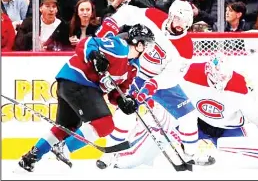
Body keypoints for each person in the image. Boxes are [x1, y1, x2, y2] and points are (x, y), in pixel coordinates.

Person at [50, 0, 213, 169]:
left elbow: (173, 74)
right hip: (137, 75)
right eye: (179, 20)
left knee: (188, 115)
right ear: (171, 15)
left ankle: (190, 154)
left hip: (160, 82)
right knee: (124, 116)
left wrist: (153, 85)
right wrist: (111, 25)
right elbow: (128, 11)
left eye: (186, 22)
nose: (181, 25)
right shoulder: (153, 16)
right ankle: (110, 154)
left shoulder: (186, 47)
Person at [97, 53, 258, 169]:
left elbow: (257, 115)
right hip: (198, 124)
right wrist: (147, 90)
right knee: (163, 131)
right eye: (216, 78)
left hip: (228, 128)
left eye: (223, 79)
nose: (219, 83)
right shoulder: (190, 72)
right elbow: (164, 79)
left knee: (235, 164)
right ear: (208, 70)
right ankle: (123, 157)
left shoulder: (239, 86)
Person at [18, 24, 155, 172]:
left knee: (66, 128)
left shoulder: (134, 67)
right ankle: (64, 149)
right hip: (79, 81)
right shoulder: (120, 46)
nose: (149, 49)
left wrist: (122, 101)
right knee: (105, 124)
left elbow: (118, 90)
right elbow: (87, 43)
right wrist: (94, 55)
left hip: (71, 84)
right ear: (139, 43)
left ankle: (30, 158)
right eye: (147, 44)